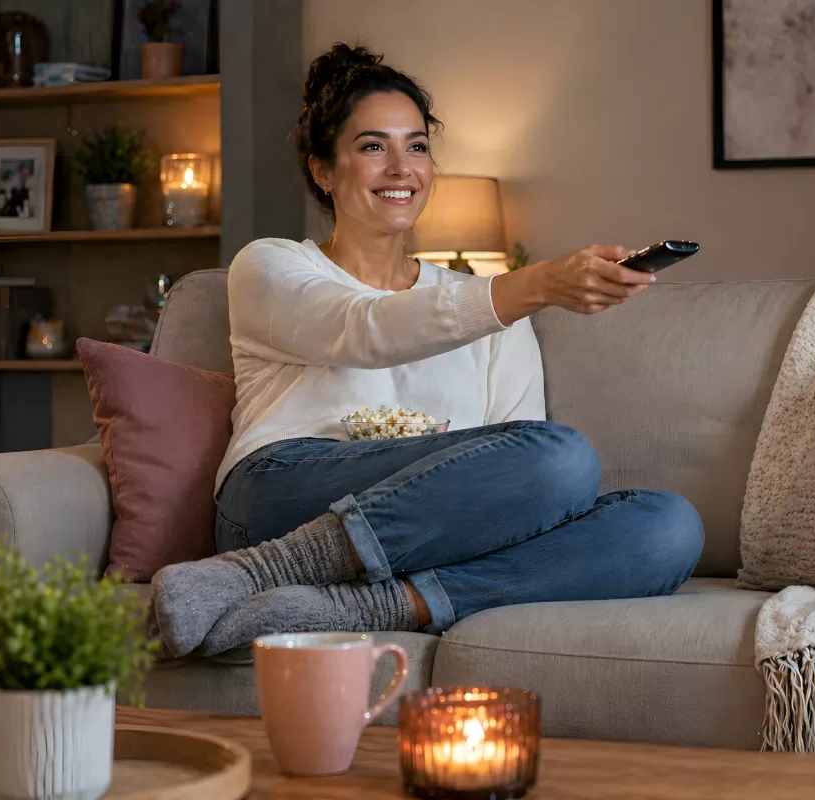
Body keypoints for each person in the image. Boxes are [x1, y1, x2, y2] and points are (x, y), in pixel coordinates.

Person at [149, 43, 704, 658]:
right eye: (372, 147)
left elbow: (521, 475)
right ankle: (254, 572)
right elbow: (366, 328)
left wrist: (514, 298)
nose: (401, 168)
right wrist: (539, 283)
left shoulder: (486, 302)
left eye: (416, 146)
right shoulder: (272, 266)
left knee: (667, 528)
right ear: (322, 171)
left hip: (431, 532)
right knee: (566, 457)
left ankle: (375, 605)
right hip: (281, 497)